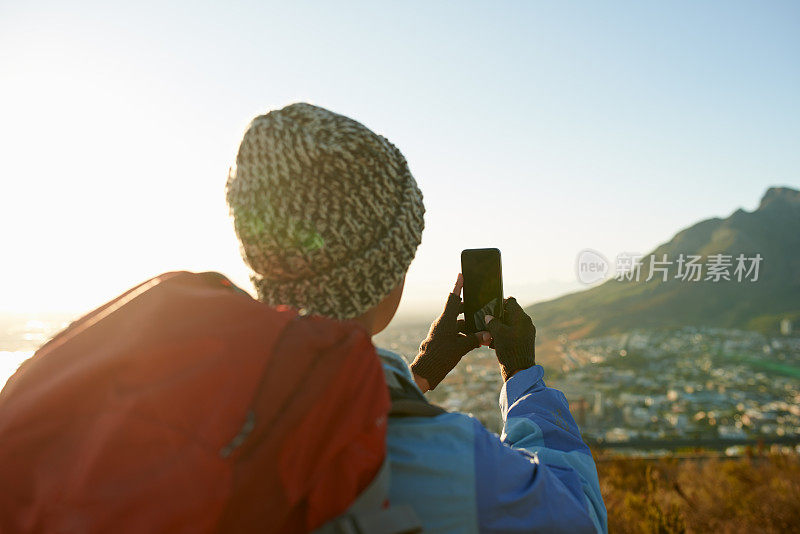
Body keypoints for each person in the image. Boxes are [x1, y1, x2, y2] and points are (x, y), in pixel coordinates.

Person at [225, 103, 608, 533]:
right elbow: (580, 516)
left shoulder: (206, 390)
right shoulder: (445, 463)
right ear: (386, 271)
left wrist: (418, 377)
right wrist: (523, 376)